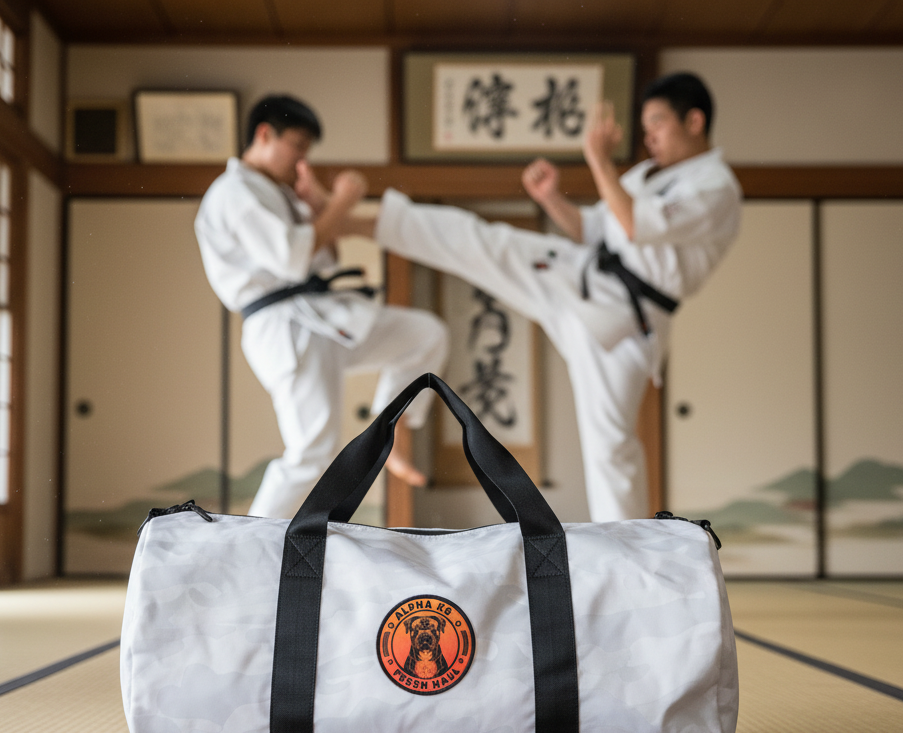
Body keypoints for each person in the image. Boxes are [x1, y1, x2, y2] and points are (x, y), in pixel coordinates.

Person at [375, 72, 740, 522]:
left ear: (695, 121)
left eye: (658, 123)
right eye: (646, 126)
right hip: (580, 276)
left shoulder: (715, 185)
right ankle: (374, 221)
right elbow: (593, 230)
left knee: (610, 447)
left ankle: (622, 558)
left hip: (625, 319)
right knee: (490, 244)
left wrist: (597, 159)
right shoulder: (649, 174)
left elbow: (634, 225)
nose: (649, 136)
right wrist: (551, 198)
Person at [196, 95, 448, 519]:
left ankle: (394, 431)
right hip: (286, 326)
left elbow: (323, 254)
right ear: (264, 134)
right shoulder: (234, 192)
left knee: (425, 334)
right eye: (296, 145)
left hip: (323, 317)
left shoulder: (278, 194)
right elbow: (291, 258)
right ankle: (247, 544)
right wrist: (340, 204)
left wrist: (317, 206)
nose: (301, 158)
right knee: (312, 451)